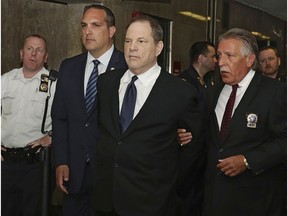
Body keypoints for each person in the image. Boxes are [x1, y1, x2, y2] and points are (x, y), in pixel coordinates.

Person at [92, 14, 202, 216]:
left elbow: (193, 148)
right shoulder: (106, 82)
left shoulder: (180, 92)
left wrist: (171, 184)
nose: (132, 47)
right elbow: (102, 133)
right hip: (106, 198)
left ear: (158, 48)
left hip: (153, 201)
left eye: (141, 41)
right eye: (128, 41)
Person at [51, 4, 127, 216]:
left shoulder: (127, 68)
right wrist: (62, 160)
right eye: (84, 25)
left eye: (95, 25)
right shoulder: (69, 66)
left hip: (110, 173)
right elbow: (60, 117)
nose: (87, 31)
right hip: (73, 172)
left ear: (112, 31)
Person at [201, 28, 286, 216]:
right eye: (219, 55)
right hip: (213, 199)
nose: (221, 63)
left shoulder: (275, 92)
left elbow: (284, 140)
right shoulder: (212, 93)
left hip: (254, 200)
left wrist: (248, 160)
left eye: (230, 56)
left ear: (250, 60)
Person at [1, 34, 54, 216]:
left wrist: (52, 137)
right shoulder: (6, 81)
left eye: (39, 50)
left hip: (34, 165)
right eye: (29, 49)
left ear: (46, 56)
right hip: (4, 163)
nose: (34, 54)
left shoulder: (54, 84)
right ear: (21, 53)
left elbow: (65, 119)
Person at [177, 41, 217, 216]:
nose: (216, 60)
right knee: (186, 200)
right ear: (202, 58)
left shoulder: (209, 82)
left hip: (204, 153)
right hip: (189, 154)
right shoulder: (184, 82)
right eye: (213, 56)